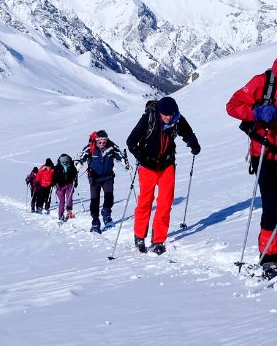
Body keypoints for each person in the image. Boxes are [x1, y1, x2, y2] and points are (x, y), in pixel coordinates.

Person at [226, 49, 277, 279]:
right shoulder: (264, 82)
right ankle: (270, 256)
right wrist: (256, 111)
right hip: (265, 150)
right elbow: (232, 105)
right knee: (271, 206)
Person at [126, 96, 201, 254]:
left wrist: (193, 143)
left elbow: (187, 132)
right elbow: (131, 141)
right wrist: (141, 156)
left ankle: (158, 240)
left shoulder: (177, 118)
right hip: (148, 166)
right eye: (165, 114)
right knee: (145, 201)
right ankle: (139, 236)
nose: (168, 117)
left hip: (167, 164)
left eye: (171, 114)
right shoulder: (149, 118)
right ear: (159, 112)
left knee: (165, 202)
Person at [77, 129, 130, 233]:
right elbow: (82, 156)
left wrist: (125, 163)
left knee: (109, 197)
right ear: (96, 141)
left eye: (104, 142)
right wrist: (78, 164)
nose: (102, 144)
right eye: (99, 142)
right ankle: (95, 221)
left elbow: (120, 155)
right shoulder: (90, 147)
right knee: (95, 200)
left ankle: (106, 214)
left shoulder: (111, 147)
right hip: (94, 178)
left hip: (108, 177)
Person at [52, 153, 79, 222]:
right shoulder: (57, 167)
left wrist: (75, 182)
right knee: (62, 201)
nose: (64, 163)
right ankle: (60, 215)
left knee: (69, 198)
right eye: (63, 162)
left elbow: (75, 175)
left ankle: (69, 211)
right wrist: (54, 182)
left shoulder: (71, 166)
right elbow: (54, 176)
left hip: (69, 184)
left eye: (66, 162)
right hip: (60, 186)